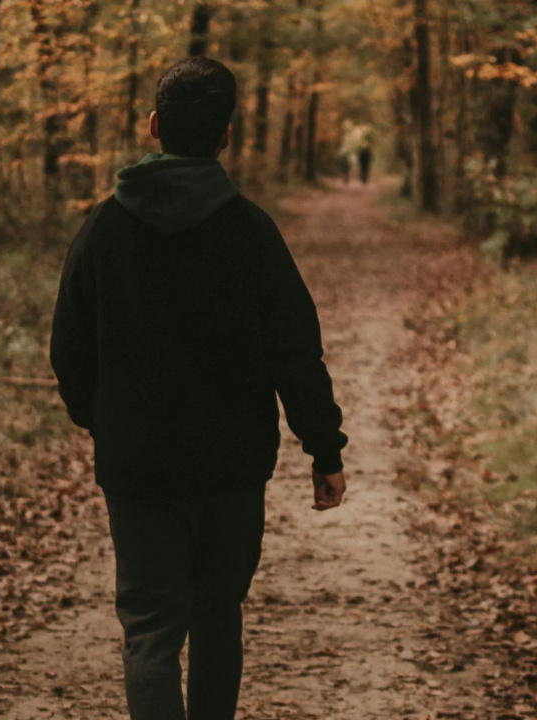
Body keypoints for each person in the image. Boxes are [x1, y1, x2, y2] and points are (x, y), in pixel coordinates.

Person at [49, 56, 349, 720]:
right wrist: (324, 450)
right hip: (231, 469)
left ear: (154, 126)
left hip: (139, 465)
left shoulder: (103, 230)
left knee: (151, 628)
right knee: (218, 615)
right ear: (227, 136)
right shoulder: (251, 233)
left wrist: (103, 419)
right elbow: (295, 353)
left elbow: (68, 350)